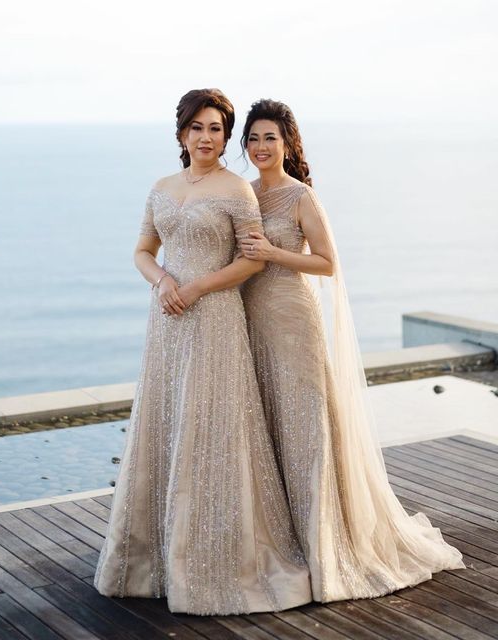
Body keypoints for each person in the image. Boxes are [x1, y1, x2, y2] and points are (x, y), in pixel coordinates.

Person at [94, 89, 312, 615]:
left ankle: (216, 562)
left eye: (216, 129)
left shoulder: (238, 189)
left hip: (213, 317)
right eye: (198, 128)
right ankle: (153, 561)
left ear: (223, 135)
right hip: (166, 320)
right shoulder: (161, 187)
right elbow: (142, 251)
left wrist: (196, 288)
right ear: (181, 133)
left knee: (213, 427)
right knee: (165, 422)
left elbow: (252, 260)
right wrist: (163, 281)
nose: (207, 137)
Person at [240, 98, 465, 602]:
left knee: (305, 425)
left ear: (287, 143)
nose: (260, 146)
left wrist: (274, 253)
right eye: (252, 138)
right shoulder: (245, 194)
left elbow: (328, 264)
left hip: (294, 319)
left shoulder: (301, 197)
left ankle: (323, 541)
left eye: (269, 137)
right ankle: (280, 536)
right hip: (253, 318)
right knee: (269, 424)